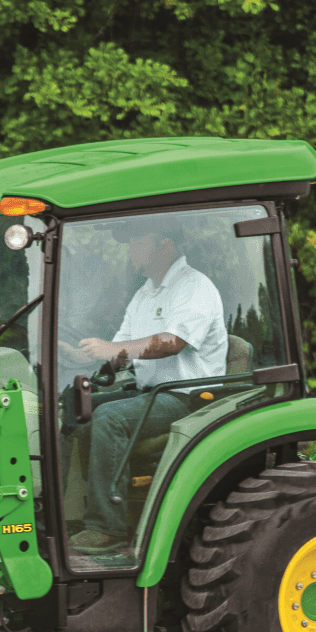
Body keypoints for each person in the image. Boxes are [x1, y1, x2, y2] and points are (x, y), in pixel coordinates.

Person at [60, 216, 228, 558]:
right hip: (152, 393)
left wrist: (112, 349)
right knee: (76, 405)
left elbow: (172, 342)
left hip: (189, 398)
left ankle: (108, 528)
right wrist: (83, 355)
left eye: (139, 242)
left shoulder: (194, 287)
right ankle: (65, 507)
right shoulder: (145, 293)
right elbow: (122, 348)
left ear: (164, 244)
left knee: (108, 418)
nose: (132, 250)